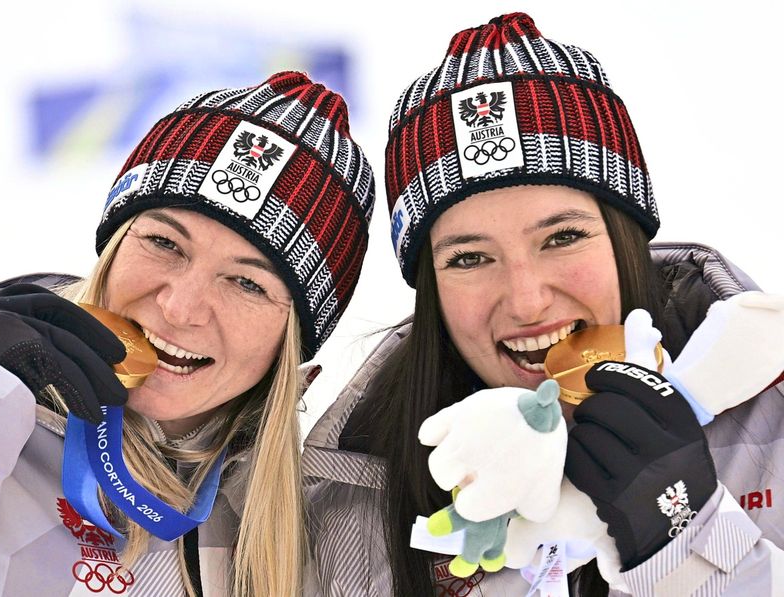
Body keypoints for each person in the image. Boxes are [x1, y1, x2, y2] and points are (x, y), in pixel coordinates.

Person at [303, 12, 783, 596]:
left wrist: (688, 540)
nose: (528, 301)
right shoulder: (351, 496)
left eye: (562, 238)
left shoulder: (772, 416)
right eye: (470, 259)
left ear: (624, 241)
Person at [0, 70, 375, 596]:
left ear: (292, 339)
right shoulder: (3, 417)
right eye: (166, 243)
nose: (181, 307)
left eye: (246, 282)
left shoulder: (324, 537)